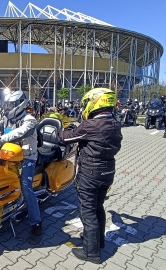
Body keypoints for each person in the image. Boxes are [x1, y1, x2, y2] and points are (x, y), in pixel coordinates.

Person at [59, 88, 122, 264]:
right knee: (98, 207)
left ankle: (91, 252)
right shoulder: (115, 123)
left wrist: (61, 129)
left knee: (87, 212)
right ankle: (98, 240)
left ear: (95, 103)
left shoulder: (91, 125)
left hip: (90, 172)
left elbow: (65, 137)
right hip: (108, 171)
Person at [0, 99, 42, 245]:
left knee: (26, 188)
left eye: (10, 105)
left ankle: (36, 223)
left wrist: (0, 139)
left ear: (19, 105)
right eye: (7, 104)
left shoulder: (30, 120)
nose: (7, 107)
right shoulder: (10, 119)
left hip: (27, 157)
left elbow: (20, 133)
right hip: (11, 155)